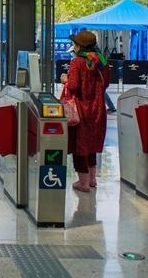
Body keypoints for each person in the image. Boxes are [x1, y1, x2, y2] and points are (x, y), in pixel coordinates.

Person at [60, 31, 110, 193]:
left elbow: (73, 86)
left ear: (78, 46)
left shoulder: (77, 62)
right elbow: (106, 84)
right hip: (98, 107)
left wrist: (65, 80)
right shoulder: (102, 62)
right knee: (92, 143)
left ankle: (83, 182)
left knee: (79, 144)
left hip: (81, 108)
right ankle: (92, 178)